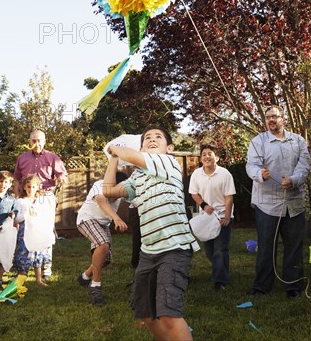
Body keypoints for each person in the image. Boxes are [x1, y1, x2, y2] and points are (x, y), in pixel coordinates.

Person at [103, 126, 199, 341]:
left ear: (169, 148)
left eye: (158, 137)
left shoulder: (168, 163)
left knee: (169, 314)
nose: (152, 140)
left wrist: (115, 147)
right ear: (142, 146)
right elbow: (108, 190)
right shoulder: (138, 177)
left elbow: (130, 155)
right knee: (145, 314)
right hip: (148, 252)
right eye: (147, 138)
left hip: (174, 249)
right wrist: (112, 159)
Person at [246, 105, 311, 298]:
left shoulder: (298, 141)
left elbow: (305, 165)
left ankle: (293, 286)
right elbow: (251, 165)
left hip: (294, 203)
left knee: (294, 246)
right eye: (268, 117)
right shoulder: (258, 141)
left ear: (283, 119)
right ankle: (262, 286)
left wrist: (294, 179)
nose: (271, 120)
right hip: (267, 203)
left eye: (275, 116)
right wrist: (260, 173)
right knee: (266, 246)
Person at [13, 130, 67, 279]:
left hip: (45, 196)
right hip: (27, 197)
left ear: (44, 142)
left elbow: (62, 175)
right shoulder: (22, 158)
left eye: (39, 141)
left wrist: (60, 180)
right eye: (33, 141)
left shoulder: (52, 157)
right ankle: (25, 265)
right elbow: (17, 178)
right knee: (26, 230)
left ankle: (46, 266)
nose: (36, 144)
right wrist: (17, 196)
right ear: (29, 142)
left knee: (46, 231)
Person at [76, 172, 128, 306]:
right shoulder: (99, 185)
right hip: (87, 219)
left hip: (103, 224)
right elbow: (101, 201)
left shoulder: (122, 191)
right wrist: (116, 218)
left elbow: (138, 199)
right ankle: (95, 286)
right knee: (103, 244)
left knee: (105, 260)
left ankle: (85, 277)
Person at [189, 144, 236, 291]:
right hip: (206, 216)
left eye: (210, 153)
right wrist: (203, 205)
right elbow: (194, 193)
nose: (207, 156)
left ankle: (219, 281)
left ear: (216, 157)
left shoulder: (225, 174)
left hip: (223, 215)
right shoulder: (196, 174)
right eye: (204, 154)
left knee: (220, 249)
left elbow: (229, 197)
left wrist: (227, 217)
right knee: (209, 250)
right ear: (201, 158)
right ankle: (220, 269)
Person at [12, 175, 54, 286]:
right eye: (28, 187)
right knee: (23, 254)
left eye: (33, 187)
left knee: (38, 252)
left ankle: (38, 279)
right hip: (25, 232)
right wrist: (26, 215)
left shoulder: (41, 201)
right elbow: (16, 219)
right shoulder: (20, 201)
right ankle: (20, 279)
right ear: (24, 187)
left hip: (38, 231)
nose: (31, 189)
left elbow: (46, 215)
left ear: (37, 187)